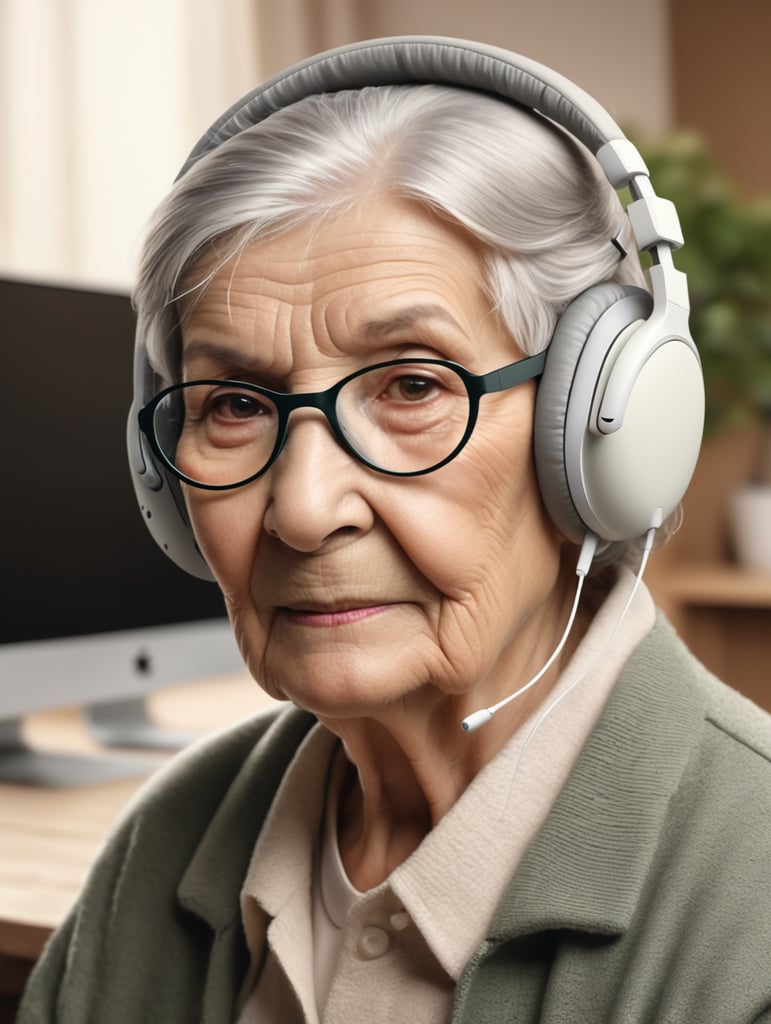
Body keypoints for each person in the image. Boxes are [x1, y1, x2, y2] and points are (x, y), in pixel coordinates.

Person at [19, 37, 771, 1024]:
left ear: (602, 429)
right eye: (235, 403)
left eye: (415, 385)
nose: (301, 506)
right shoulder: (164, 842)